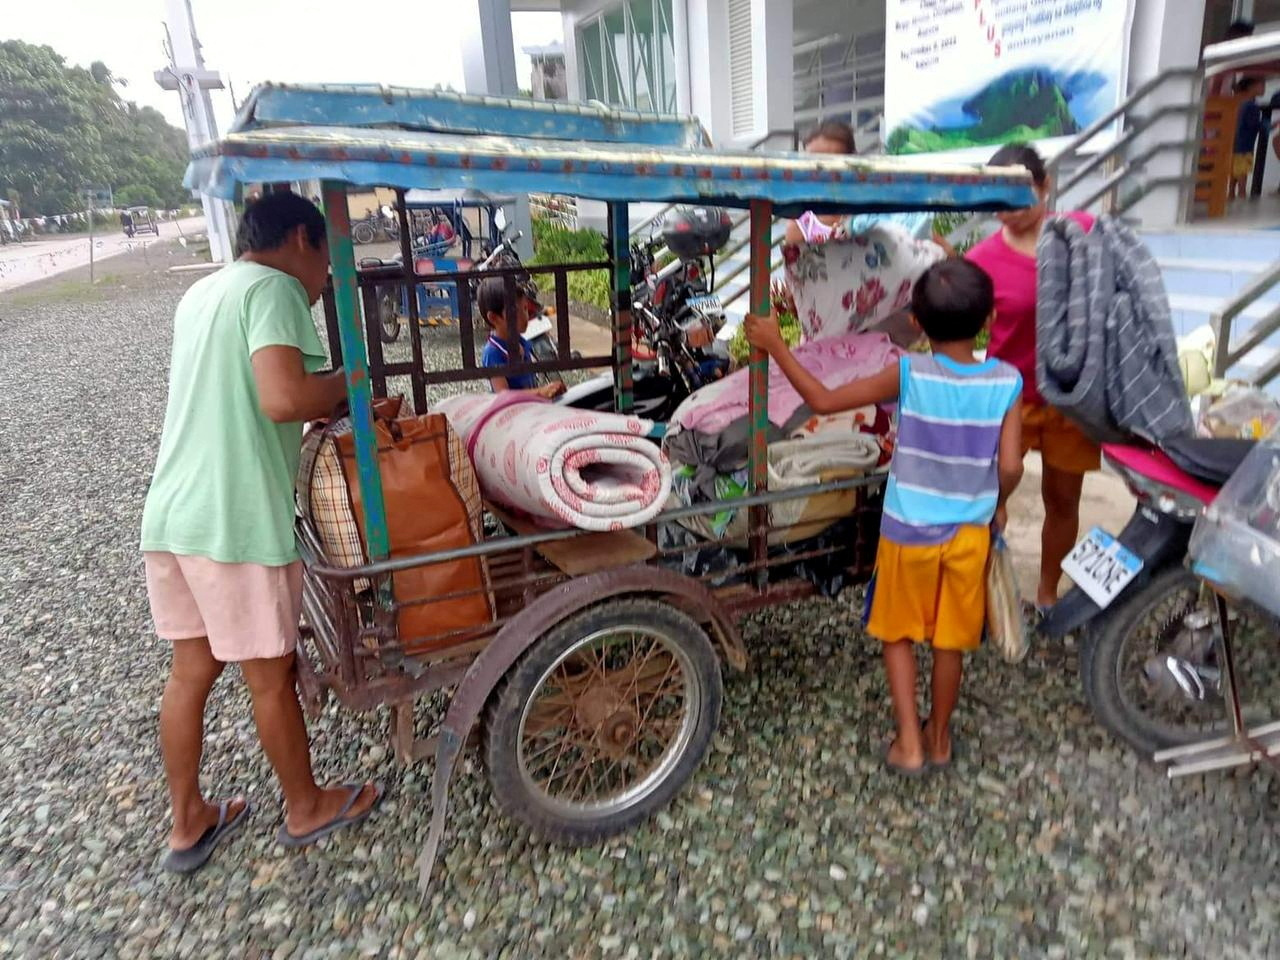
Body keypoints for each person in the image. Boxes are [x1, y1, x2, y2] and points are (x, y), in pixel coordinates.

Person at [141, 193, 382, 874]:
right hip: (233, 519)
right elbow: (283, 397)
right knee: (268, 676)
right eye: (327, 256)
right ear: (301, 238)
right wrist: (347, 382)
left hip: (172, 513)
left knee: (190, 672)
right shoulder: (274, 287)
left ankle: (188, 820)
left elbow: (243, 396)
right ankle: (305, 806)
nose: (328, 277)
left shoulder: (204, 291)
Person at [745, 260, 1023, 774]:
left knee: (897, 633)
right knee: (950, 639)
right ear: (987, 320)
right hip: (969, 534)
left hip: (907, 532)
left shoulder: (910, 372)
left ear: (915, 321)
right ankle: (940, 738)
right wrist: (998, 503)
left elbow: (823, 399)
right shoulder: (1006, 381)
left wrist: (776, 345)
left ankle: (909, 744)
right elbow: (1009, 464)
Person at [966, 143, 1097, 613]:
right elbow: (963, 324)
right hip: (1008, 395)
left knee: (1063, 500)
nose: (1009, 212)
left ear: (1045, 186)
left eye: (1021, 197)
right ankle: (980, 592)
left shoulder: (1081, 234)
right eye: (997, 202)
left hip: (1072, 398)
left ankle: (1046, 594)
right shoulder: (981, 259)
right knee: (986, 498)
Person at [781, 119, 945, 345]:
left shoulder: (879, 215)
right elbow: (801, 301)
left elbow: (935, 259)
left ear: (852, 163)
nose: (824, 173)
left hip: (886, 343)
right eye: (815, 165)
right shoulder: (799, 228)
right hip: (827, 348)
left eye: (833, 165)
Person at [478, 276, 565, 398]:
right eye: (515, 312)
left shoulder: (522, 341)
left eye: (525, 309)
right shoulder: (493, 353)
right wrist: (540, 392)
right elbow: (503, 395)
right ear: (494, 318)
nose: (524, 316)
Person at [1232, 76, 1269, 200]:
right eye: (1262, 84)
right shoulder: (1252, 106)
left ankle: (1231, 193)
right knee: (1243, 170)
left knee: (1234, 169)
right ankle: (1242, 193)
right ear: (1251, 87)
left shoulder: (1239, 103)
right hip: (1246, 144)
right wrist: (1268, 126)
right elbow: (1254, 124)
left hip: (1236, 142)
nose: (1264, 88)